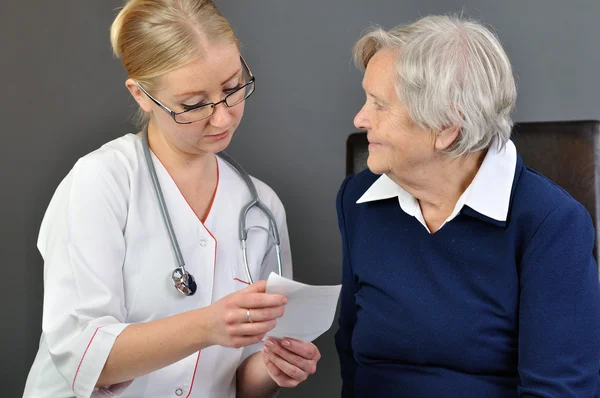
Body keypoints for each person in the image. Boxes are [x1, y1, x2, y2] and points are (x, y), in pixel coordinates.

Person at [23, 1, 320, 397]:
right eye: (194, 105)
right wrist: (207, 326)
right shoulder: (101, 182)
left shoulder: (261, 208)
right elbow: (84, 358)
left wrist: (274, 366)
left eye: (233, 89)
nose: (222, 117)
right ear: (142, 95)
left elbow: (240, 383)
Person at [335, 14, 600, 397]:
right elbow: (352, 358)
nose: (360, 118)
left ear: (447, 128)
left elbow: (560, 391)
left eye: (379, 105)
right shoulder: (357, 200)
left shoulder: (551, 224)